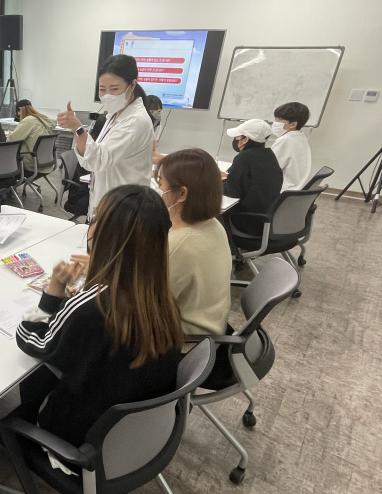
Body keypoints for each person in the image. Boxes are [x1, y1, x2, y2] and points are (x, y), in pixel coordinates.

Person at [14, 185, 183, 447]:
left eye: (94, 219)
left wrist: (54, 290)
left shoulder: (93, 307)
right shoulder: (161, 297)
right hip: (134, 436)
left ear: (104, 236)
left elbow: (32, 340)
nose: (90, 227)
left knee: (33, 378)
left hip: (82, 438)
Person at [57, 55, 155, 218]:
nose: (107, 95)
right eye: (102, 89)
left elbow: (98, 160)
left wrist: (78, 128)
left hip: (122, 208)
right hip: (106, 201)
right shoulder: (115, 114)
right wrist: (76, 129)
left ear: (132, 85)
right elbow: (89, 160)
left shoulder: (135, 120)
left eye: (114, 89)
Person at [157, 149, 232, 335]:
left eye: (160, 183)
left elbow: (145, 304)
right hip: (211, 326)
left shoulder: (180, 244)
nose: (158, 190)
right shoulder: (213, 225)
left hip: (183, 338)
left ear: (182, 193)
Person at [223, 119, 283, 236]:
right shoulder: (269, 155)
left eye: (237, 137)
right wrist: (229, 176)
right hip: (266, 217)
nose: (235, 140)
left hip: (247, 221)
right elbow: (252, 180)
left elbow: (232, 192)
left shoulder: (244, 157)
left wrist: (214, 182)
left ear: (245, 139)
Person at [270, 102, 312, 191]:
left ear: (293, 124)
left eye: (279, 120)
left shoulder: (285, 140)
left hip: (282, 190)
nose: (275, 123)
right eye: (275, 119)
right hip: (296, 189)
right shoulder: (301, 136)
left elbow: (267, 168)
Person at [9, 99, 56, 174]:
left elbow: (12, 140)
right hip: (47, 163)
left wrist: (8, 134)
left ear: (20, 110)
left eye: (18, 113)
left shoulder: (28, 120)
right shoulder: (41, 119)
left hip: (32, 165)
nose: (18, 115)